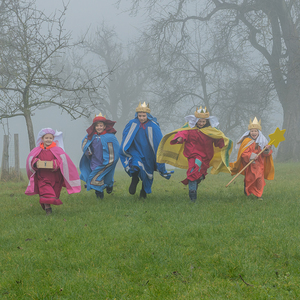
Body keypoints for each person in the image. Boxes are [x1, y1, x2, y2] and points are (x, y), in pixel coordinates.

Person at [157, 106, 232, 202]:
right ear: (195, 121)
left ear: (207, 122)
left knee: (200, 174)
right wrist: (179, 138)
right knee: (193, 171)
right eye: (199, 121)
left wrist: (223, 143)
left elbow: (217, 139)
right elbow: (183, 133)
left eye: (203, 122)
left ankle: (196, 182)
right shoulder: (189, 129)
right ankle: (192, 193)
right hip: (193, 155)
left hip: (206, 157)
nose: (201, 123)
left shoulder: (211, 130)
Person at [119, 102, 173, 198]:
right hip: (136, 150)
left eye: (144, 116)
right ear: (137, 115)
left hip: (148, 153)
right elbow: (125, 135)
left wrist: (159, 157)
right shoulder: (132, 123)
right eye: (140, 116)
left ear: (148, 115)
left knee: (148, 171)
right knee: (135, 165)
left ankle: (143, 191)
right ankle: (135, 179)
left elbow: (158, 142)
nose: (142, 118)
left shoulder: (153, 126)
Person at [25, 128, 81, 215]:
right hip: (42, 176)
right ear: (42, 139)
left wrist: (54, 164)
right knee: (46, 191)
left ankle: (45, 203)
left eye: (50, 138)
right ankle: (48, 209)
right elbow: (31, 160)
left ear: (53, 139)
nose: (48, 140)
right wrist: (36, 163)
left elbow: (62, 161)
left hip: (55, 177)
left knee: (53, 193)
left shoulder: (57, 150)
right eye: (46, 138)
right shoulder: (37, 150)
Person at [230, 117, 274, 200]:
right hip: (250, 165)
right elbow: (243, 153)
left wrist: (267, 149)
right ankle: (248, 192)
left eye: (255, 131)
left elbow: (266, 154)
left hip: (259, 165)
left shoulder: (262, 141)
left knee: (259, 180)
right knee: (250, 179)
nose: (254, 132)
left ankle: (259, 195)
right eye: (252, 131)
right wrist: (251, 156)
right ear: (249, 132)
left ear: (258, 132)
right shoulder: (246, 141)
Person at [79, 113, 120, 199]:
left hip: (106, 161)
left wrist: (111, 161)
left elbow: (115, 150)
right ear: (94, 127)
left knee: (107, 177)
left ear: (105, 126)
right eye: (97, 126)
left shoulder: (110, 137)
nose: (99, 127)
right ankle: (99, 193)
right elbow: (85, 145)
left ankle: (109, 185)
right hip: (95, 161)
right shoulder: (91, 136)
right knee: (96, 176)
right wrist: (87, 152)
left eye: (101, 126)